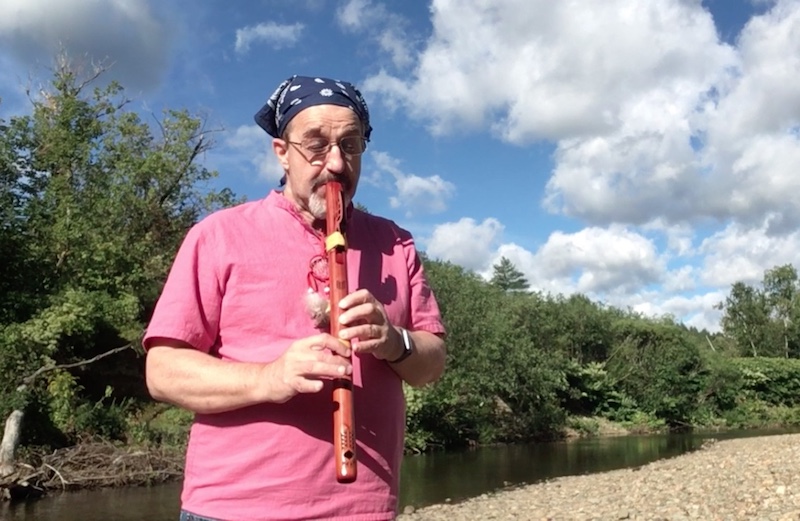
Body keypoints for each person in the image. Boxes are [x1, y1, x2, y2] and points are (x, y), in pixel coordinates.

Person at [143, 75, 447, 521]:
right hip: (233, 509)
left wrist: (393, 340)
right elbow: (163, 372)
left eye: (351, 144)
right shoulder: (218, 235)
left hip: (363, 509)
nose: (337, 163)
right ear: (282, 153)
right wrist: (270, 377)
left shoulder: (395, 243)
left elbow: (431, 363)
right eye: (317, 145)